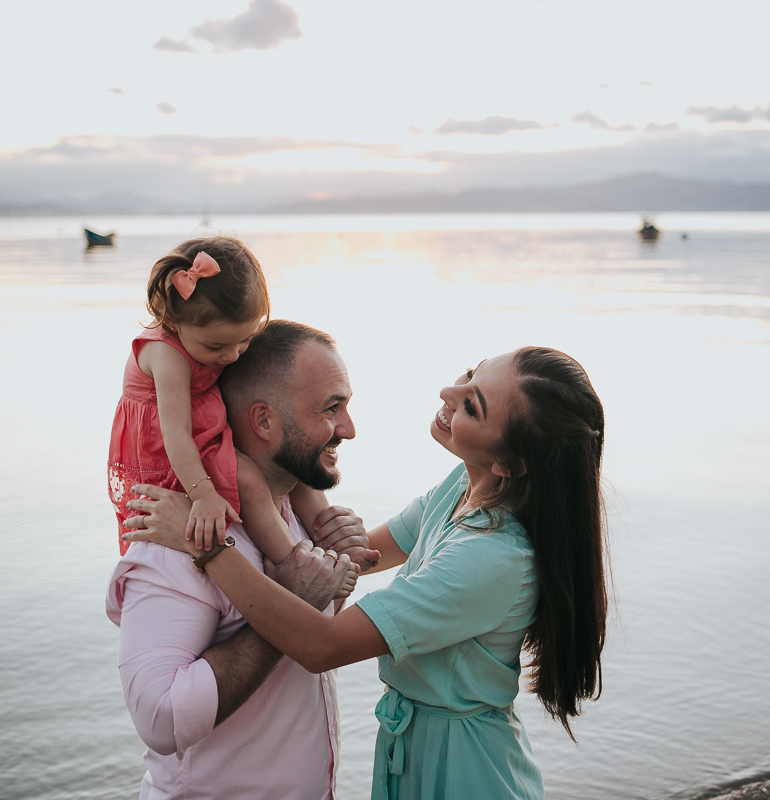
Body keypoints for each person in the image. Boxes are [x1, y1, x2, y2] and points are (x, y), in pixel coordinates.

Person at [122, 346, 609, 799]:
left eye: (472, 406)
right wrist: (279, 483)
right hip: (410, 743)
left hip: (462, 763)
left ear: (508, 462)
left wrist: (205, 546)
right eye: (470, 373)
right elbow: (363, 553)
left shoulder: (491, 558)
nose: (448, 393)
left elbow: (323, 646)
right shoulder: (463, 490)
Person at [107, 320, 373, 800]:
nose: (349, 429)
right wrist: (290, 608)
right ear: (264, 421)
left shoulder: (293, 513)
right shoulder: (181, 537)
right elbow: (160, 718)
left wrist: (341, 553)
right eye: (332, 409)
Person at [107, 235, 321, 568]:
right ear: (172, 321)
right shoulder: (166, 355)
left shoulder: (211, 339)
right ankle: (295, 566)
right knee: (248, 479)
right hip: (166, 451)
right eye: (216, 347)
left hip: (205, 434)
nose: (232, 354)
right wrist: (203, 494)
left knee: (284, 462)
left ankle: (325, 531)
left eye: (244, 340)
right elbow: (176, 433)